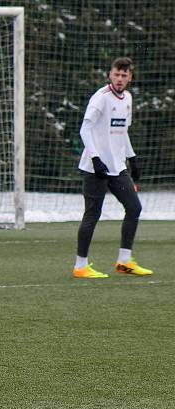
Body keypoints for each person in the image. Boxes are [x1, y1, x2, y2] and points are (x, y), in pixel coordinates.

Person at [72, 57, 153, 278]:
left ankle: (124, 261)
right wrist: (96, 159)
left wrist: (132, 158)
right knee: (92, 215)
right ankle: (80, 265)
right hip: (94, 168)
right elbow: (85, 130)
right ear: (110, 74)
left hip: (117, 167)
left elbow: (122, 131)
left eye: (124, 75)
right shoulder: (101, 98)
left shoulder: (127, 98)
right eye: (116, 74)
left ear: (130, 78)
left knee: (134, 208)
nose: (119, 79)